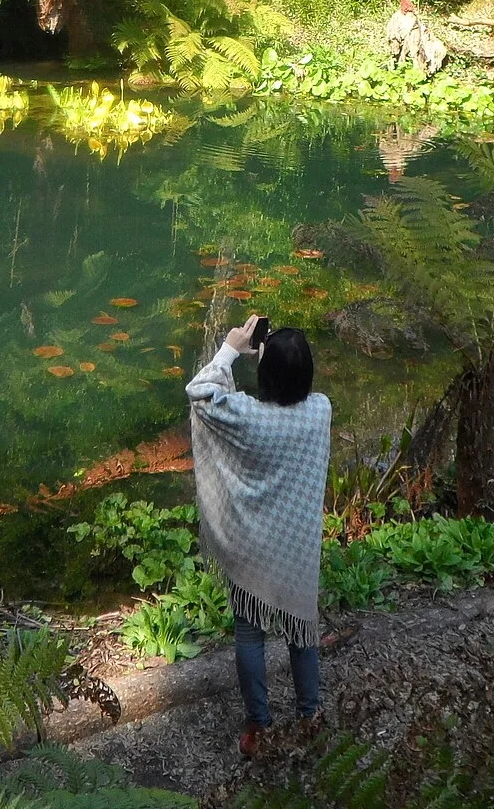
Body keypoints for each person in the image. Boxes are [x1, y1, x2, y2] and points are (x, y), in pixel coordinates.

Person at [187, 316, 332, 757]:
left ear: (264, 374)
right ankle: (310, 716)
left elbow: (200, 393)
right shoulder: (320, 411)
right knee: (301, 633)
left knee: (249, 636)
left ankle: (260, 728)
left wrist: (231, 349)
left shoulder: (245, 415)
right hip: (296, 551)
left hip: (252, 549)